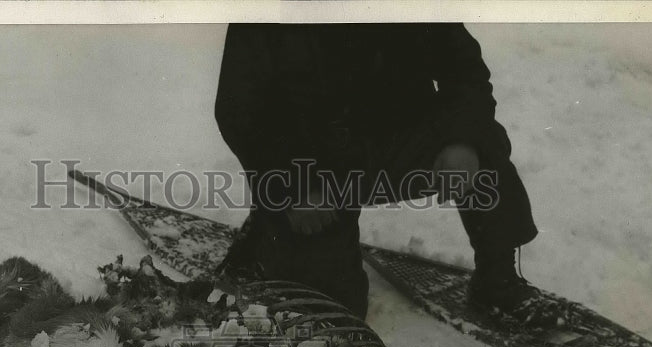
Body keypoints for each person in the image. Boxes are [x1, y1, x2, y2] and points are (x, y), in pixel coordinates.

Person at [214, 23, 543, 321]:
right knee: (333, 314)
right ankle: (268, 236)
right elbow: (240, 110)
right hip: (311, 170)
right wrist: (294, 188)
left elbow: (465, 72)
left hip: (395, 144)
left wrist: (462, 141)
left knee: (483, 144)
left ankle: (497, 283)